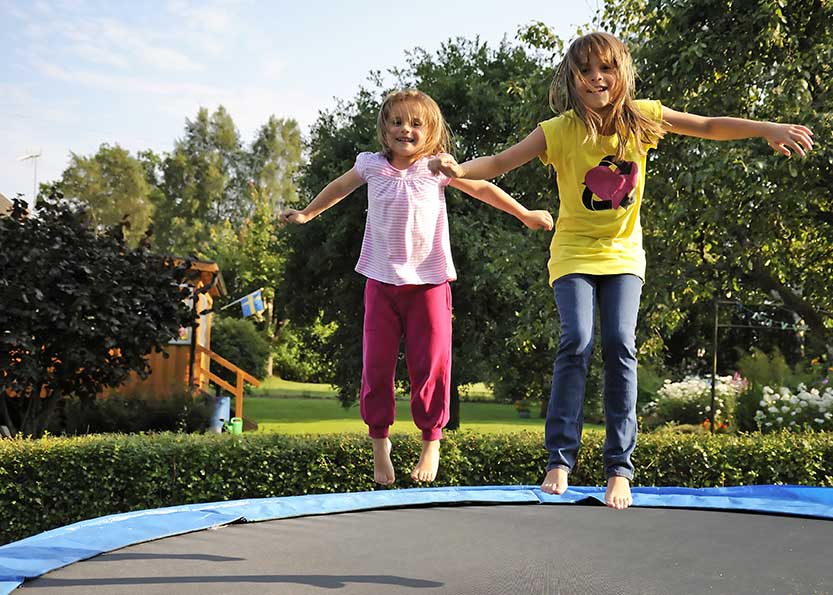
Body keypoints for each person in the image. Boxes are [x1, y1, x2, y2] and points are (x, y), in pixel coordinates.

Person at [429, 32, 814, 509]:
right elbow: (501, 161)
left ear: (621, 73)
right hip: (572, 250)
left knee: (619, 342)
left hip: (624, 253)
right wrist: (459, 169)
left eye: (604, 69)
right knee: (578, 339)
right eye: (585, 71)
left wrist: (765, 128)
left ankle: (619, 468)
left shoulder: (643, 118)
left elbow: (708, 125)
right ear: (572, 79)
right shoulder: (559, 130)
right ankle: (559, 460)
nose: (596, 79)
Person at [280, 89, 553, 486]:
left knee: (431, 366)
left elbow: (483, 188)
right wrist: (307, 213)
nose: (404, 129)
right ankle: (380, 445)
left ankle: (431, 441)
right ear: (384, 128)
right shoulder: (370, 166)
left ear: (430, 132)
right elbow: (339, 188)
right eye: (396, 121)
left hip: (429, 282)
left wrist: (524, 213)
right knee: (376, 367)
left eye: (415, 123)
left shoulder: (437, 168)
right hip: (381, 281)